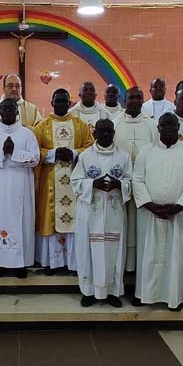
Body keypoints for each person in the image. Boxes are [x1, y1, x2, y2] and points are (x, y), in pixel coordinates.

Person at [132, 112, 183, 310]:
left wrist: (178, 206)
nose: (168, 129)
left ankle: (175, 298)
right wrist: (150, 205)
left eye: (172, 126)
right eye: (164, 126)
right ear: (158, 128)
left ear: (178, 128)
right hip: (150, 214)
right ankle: (145, 294)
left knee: (176, 257)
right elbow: (137, 180)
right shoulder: (146, 151)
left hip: (179, 216)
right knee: (148, 255)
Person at [32, 89, 93, 275]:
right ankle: (52, 263)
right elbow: (34, 151)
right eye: (57, 101)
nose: (60, 104)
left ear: (70, 102)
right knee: (51, 221)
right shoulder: (42, 127)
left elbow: (90, 147)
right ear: (51, 102)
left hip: (73, 186)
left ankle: (72, 263)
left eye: (64, 101)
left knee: (73, 221)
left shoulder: (80, 125)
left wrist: (74, 153)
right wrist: (52, 154)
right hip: (50, 185)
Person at [71, 119, 132, 307]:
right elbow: (75, 182)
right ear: (94, 133)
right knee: (88, 252)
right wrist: (92, 184)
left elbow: (131, 181)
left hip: (114, 213)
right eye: (102, 131)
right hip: (90, 214)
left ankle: (113, 292)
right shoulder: (85, 157)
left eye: (109, 131)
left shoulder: (124, 156)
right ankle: (88, 291)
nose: (106, 134)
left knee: (115, 252)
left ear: (114, 133)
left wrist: (119, 184)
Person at [0, 98, 40, 278]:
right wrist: (1, 152)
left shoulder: (27, 134)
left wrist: (15, 153)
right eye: (4, 108)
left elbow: (35, 159)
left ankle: (20, 264)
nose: (7, 111)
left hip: (20, 187)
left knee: (21, 222)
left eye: (11, 108)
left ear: (17, 111)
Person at [114, 86, 158, 272]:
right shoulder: (115, 123)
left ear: (143, 100)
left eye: (138, 98)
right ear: (124, 100)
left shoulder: (151, 124)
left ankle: (140, 267)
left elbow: (157, 152)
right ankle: (122, 267)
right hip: (120, 182)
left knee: (140, 226)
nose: (134, 101)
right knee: (123, 224)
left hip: (145, 182)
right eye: (130, 98)